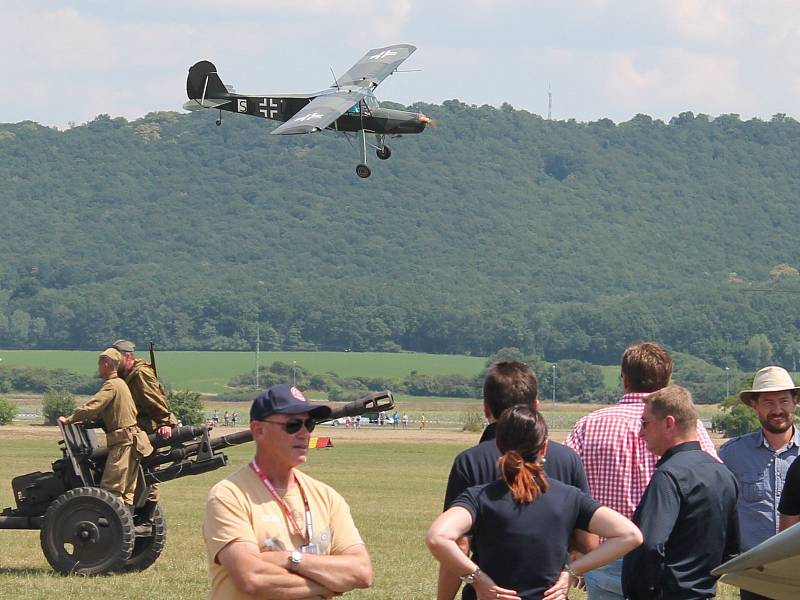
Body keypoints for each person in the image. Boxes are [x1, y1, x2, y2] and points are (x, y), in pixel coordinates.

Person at [428, 405, 642, 600]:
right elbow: (630, 535)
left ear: (499, 446)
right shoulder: (569, 497)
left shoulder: (479, 497)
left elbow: (438, 537)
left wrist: (478, 578)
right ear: (544, 448)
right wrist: (572, 571)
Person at [565, 341, 718, 600]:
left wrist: (576, 548)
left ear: (624, 379)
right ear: (667, 382)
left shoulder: (588, 425)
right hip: (667, 559)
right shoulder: (684, 427)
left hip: (605, 553)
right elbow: (712, 484)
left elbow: (564, 489)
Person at [203, 384, 372, 600]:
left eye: (310, 424)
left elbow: (362, 571)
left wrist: (289, 559)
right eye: (293, 425)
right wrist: (328, 584)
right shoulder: (229, 495)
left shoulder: (327, 496)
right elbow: (251, 577)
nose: (304, 433)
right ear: (259, 430)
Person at [439, 360, 591, 600]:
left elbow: (459, 543)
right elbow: (585, 539)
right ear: (536, 406)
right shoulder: (567, 459)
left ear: (486, 408)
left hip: (490, 591)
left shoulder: (469, 461)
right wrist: (572, 572)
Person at [622, 385, 740, 599]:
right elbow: (731, 549)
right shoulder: (723, 473)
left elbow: (650, 544)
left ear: (669, 423)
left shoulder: (669, 476)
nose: (641, 433)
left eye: (645, 423)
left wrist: (642, 592)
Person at [719, 366, 800, 599]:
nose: (777, 410)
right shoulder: (732, 455)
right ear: (754, 406)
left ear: (795, 402)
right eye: (768, 403)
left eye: (784, 401)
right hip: (757, 576)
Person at [58, 348, 154, 505]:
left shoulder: (112, 385)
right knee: (127, 492)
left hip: (122, 443)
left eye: (100, 364)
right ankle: (126, 525)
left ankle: (111, 527)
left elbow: (93, 406)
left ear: (107, 364)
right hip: (133, 442)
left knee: (111, 491)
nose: (99, 368)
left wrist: (70, 419)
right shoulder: (122, 384)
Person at [112, 339, 179, 520]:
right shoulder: (125, 375)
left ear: (128, 357)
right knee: (140, 474)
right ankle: (136, 516)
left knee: (147, 474)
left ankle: (141, 517)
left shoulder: (140, 373)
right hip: (135, 430)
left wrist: (165, 423)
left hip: (147, 430)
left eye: (117, 358)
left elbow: (154, 399)